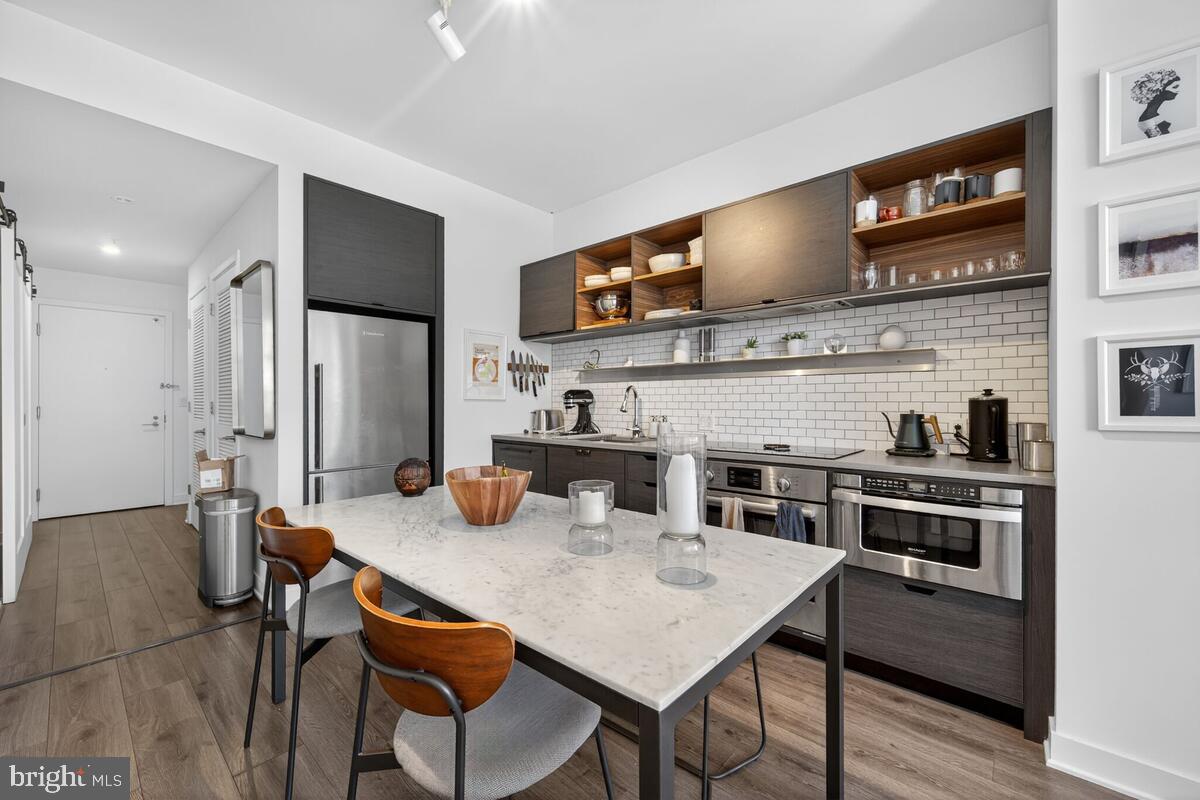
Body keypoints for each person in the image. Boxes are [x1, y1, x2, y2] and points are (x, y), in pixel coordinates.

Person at [1130, 67, 1182, 138]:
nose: (1178, 91)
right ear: (1160, 90)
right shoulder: (1147, 121)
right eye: (1175, 87)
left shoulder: (1152, 115)